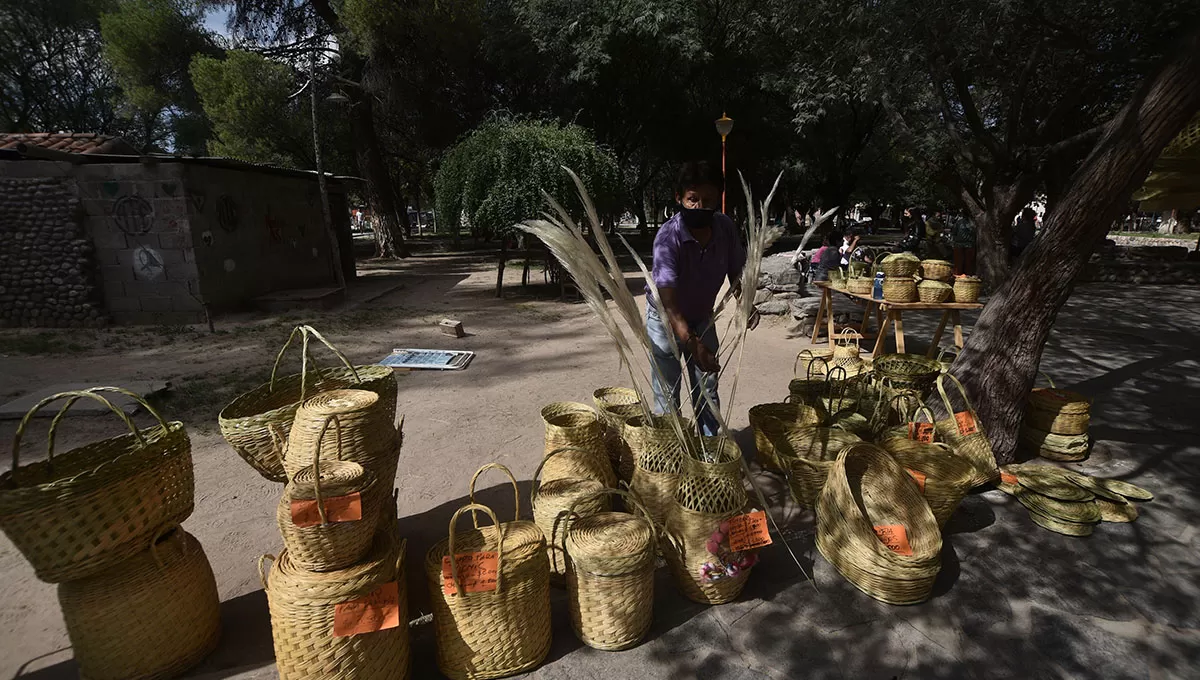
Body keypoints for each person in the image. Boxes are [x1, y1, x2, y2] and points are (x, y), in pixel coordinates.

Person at [646, 161, 746, 436]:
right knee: (667, 390)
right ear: (679, 198)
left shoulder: (725, 228)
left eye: (709, 200)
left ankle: (710, 449)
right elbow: (669, 304)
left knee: (707, 385)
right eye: (693, 199)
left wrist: (746, 304)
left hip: (702, 315)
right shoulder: (668, 238)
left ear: (718, 200)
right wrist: (692, 344)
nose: (700, 206)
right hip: (665, 319)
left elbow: (736, 270)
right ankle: (672, 449)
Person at [951, 208, 977, 275]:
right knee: (967, 264)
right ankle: (965, 275)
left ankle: (960, 276)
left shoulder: (959, 222)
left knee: (960, 263)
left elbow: (954, 233)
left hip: (963, 245)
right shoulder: (973, 223)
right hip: (967, 245)